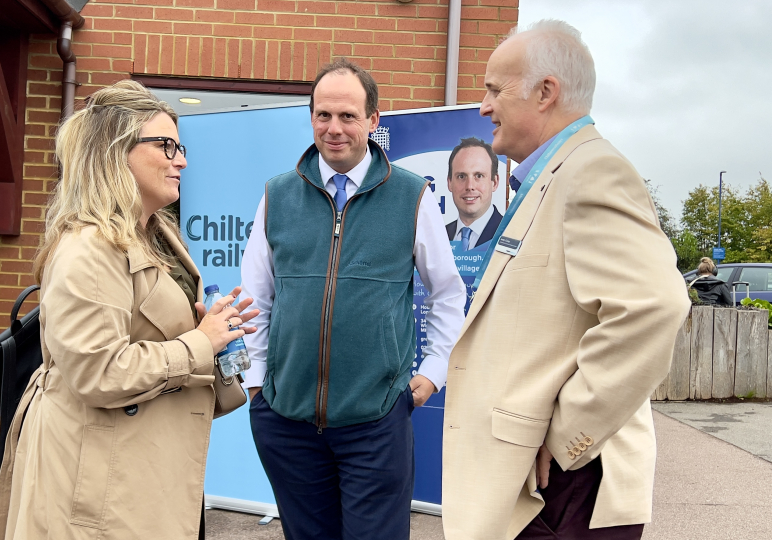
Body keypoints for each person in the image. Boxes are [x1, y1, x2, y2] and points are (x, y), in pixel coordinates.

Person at [442, 21, 690, 540]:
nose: (484, 107)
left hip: (563, 490)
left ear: (545, 92)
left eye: (494, 89)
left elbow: (654, 307)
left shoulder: (591, 171)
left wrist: (565, 435)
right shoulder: (553, 174)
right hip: (545, 488)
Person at [0, 80, 258, 540]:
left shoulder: (154, 235)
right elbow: (99, 373)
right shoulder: (88, 248)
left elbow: (152, 338)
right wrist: (201, 341)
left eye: (182, 146)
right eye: (167, 145)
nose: (182, 160)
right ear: (117, 151)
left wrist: (216, 331)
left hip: (138, 470)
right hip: (99, 489)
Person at [239, 58, 466, 540]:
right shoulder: (277, 195)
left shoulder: (411, 196)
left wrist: (432, 372)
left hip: (375, 422)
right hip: (287, 421)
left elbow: (447, 292)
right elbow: (256, 298)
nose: (334, 128)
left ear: (373, 120)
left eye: (347, 116)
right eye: (323, 115)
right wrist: (257, 383)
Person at [444, 137, 503, 250]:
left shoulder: (512, 233)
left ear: (494, 182)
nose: (470, 186)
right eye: (461, 176)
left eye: (479, 176)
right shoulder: (437, 237)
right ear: (449, 183)